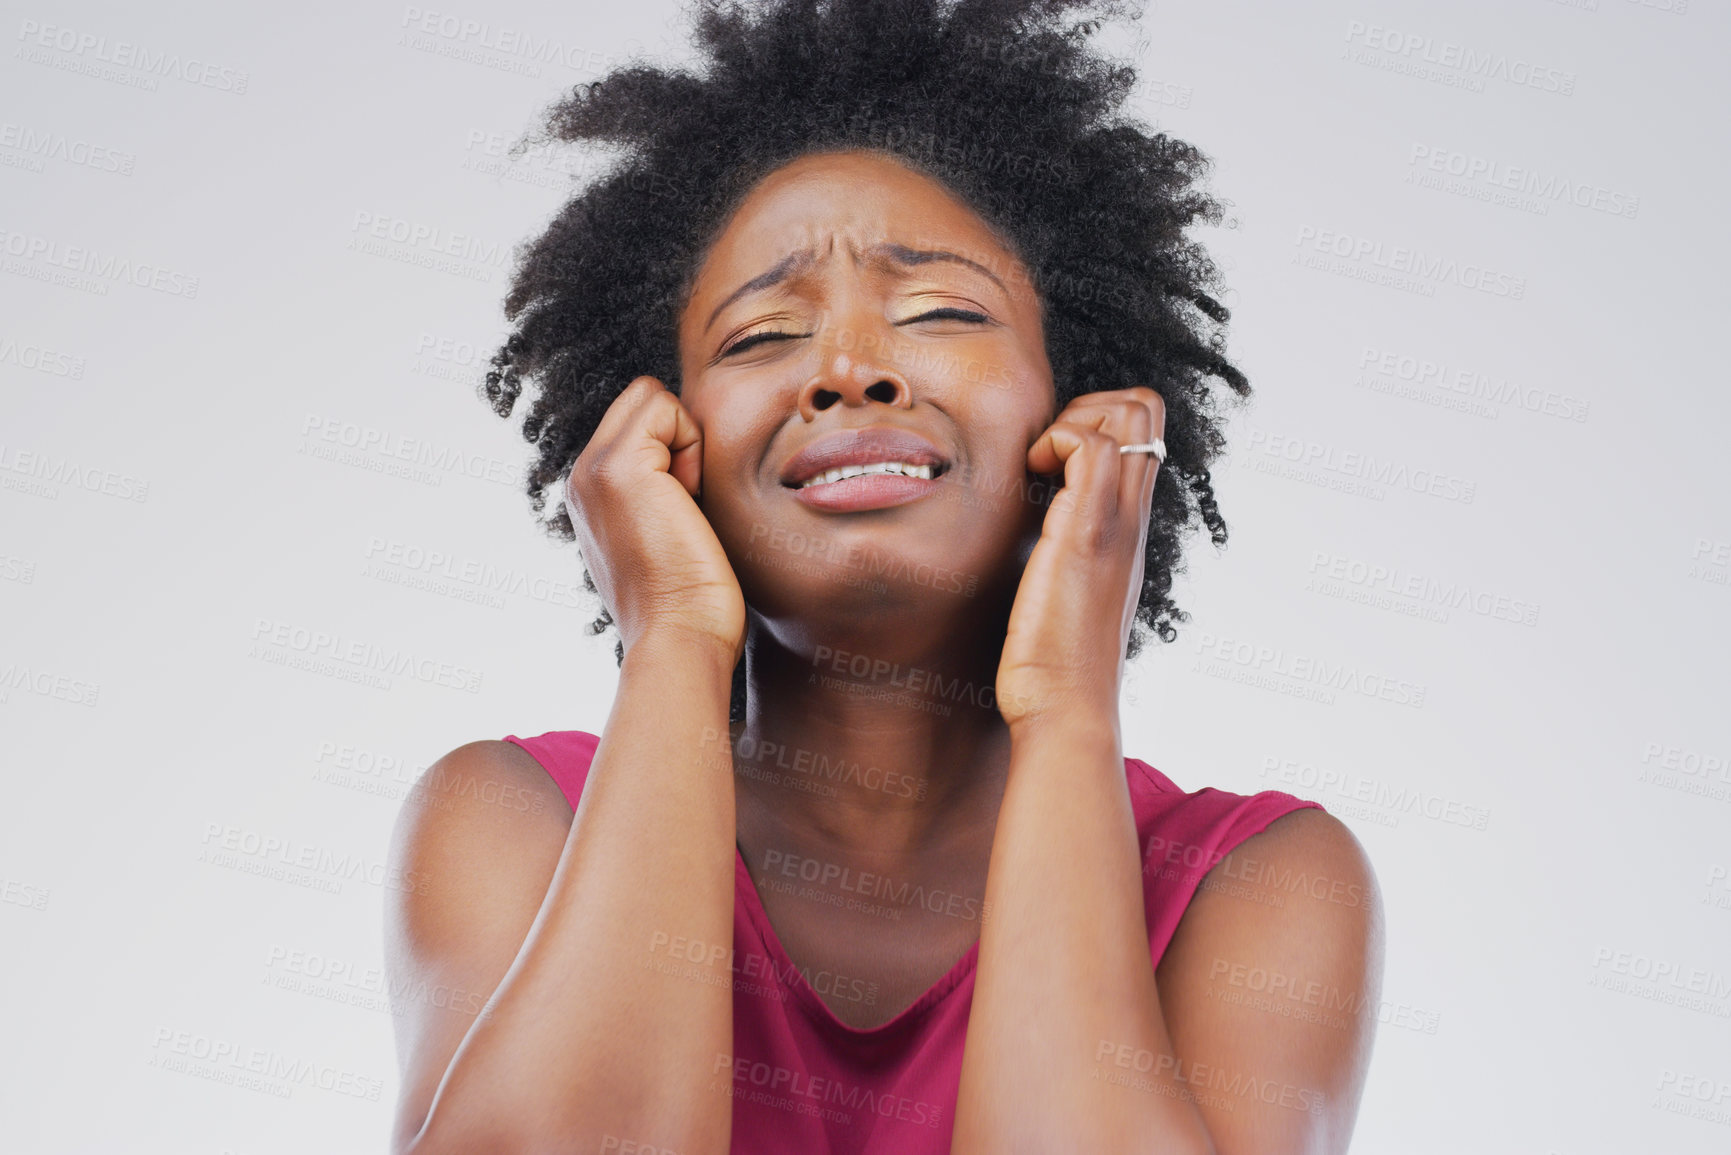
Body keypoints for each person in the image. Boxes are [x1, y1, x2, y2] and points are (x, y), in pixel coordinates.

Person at [384, 0, 1383, 1151]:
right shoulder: (510, 823)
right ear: (657, 442)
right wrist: (672, 639)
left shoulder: (1257, 886)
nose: (849, 370)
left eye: (940, 312)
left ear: (1081, 408)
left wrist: (1069, 709)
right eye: (761, 338)